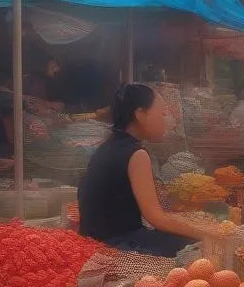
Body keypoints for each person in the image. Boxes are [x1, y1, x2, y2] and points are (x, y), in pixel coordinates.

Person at [77, 84, 215, 255]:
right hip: (118, 243)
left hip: (95, 237)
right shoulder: (137, 154)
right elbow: (156, 218)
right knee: (196, 247)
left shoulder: (107, 146)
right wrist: (207, 234)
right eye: (163, 114)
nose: (167, 120)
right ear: (140, 114)